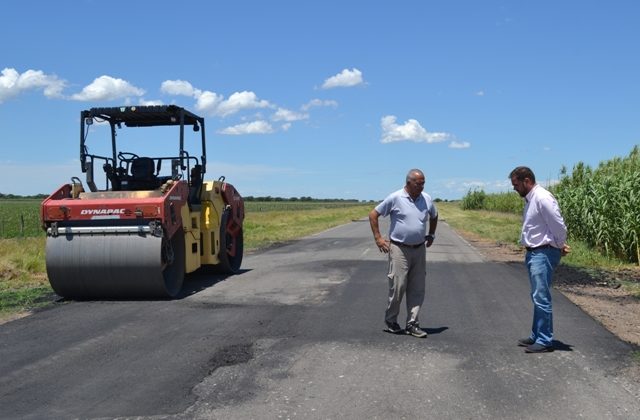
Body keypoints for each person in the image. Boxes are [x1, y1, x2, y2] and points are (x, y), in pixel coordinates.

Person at [369, 169, 438, 338]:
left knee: (417, 287)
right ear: (408, 183)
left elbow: (434, 215)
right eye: (418, 183)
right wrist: (378, 238)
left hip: (419, 248)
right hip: (399, 248)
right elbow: (373, 214)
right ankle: (391, 320)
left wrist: (432, 234)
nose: (422, 186)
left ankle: (412, 323)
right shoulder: (396, 198)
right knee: (398, 287)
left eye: (423, 183)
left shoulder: (426, 198)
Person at [510, 166, 571, 353]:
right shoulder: (531, 199)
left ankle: (544, 340)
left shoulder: (542, 198)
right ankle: (536, 335)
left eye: (516, 184)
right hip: (535, 252)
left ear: (527, 180)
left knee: (541, 296)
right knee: (537, 295)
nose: (514, 188)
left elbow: (558, 225)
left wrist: (560, 245)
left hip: (543, 252)